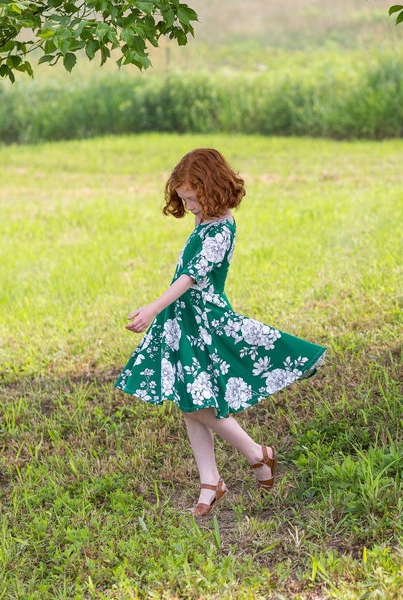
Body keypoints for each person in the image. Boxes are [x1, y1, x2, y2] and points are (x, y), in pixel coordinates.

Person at [115, 148, 326, 517]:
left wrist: (153, 307)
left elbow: (191, 276)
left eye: (194, 198)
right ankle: (210, 481)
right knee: (189, 400)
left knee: (198, 403)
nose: (190, 206)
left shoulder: (221, 229)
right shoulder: (204, 221)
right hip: (184, 323)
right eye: (184, 200)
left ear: (211, 188)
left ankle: (257, 454)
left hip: (205, 323)